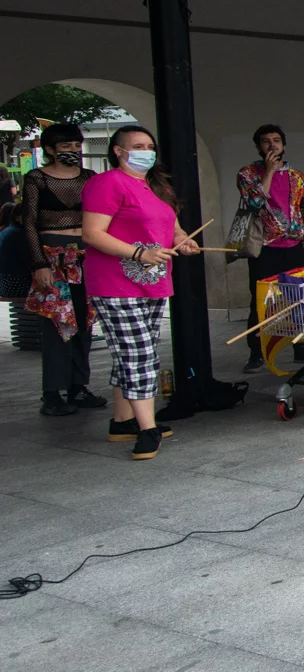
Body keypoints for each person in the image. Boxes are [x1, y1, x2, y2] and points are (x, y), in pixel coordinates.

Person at [79, 126, 201, 459]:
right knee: (139, 354)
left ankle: (123, 421)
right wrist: (139, 253)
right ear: (118, 151)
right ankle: (148, 429)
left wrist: (183, 241)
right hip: (116, 282)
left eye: (149, 146)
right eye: (137, 146)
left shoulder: (157, 186)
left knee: (131, 351)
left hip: (153, 282)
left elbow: (173, 228)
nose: (146, 152)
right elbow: (92, 233)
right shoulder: (106, 183)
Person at [20, 123, 108, 417]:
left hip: (85, 253)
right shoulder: (37, 178)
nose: (73, 150)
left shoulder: (90, 177)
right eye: (66, 146)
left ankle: (78, 386)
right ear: (50, 149)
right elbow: (29, 222)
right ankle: (52, 392)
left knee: (84, 321)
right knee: (56, 322)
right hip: (51, 255)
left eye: (76, 145)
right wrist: (38, 264)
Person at [234, 124, 304, 371]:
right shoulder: (247, 173)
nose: (272, 145)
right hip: (264, 247)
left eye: (276, 140)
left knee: (299, 296)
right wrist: (269, 172)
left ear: (284, 145)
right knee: (261, 299)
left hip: (293, 244)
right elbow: (254, 202)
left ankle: (301, 347)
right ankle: (256, 351)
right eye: (266, 141)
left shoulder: (297, 176)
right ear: (258, 147)